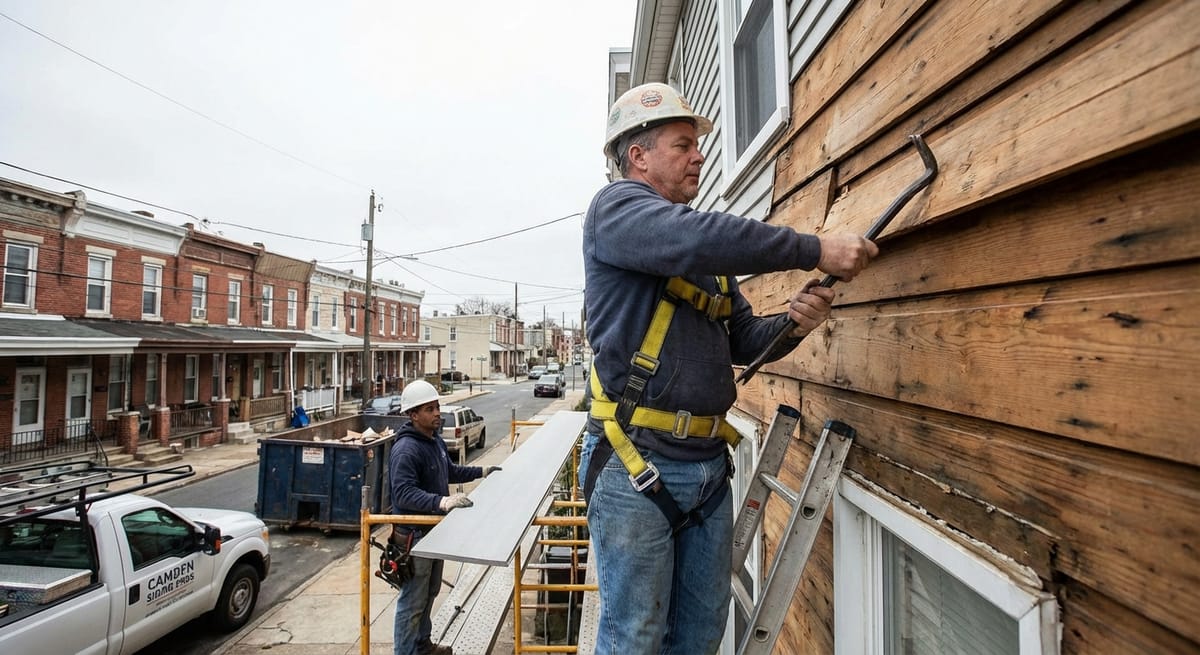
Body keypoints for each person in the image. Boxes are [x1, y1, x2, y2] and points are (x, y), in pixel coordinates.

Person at [580, 82, 878, 654]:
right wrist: (815, 247)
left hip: (706, 470)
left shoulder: (709, 261)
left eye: (699, 145)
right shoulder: (616, 211)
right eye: (683, 144)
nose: (699, 155)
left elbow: (744, 341)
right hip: (634, 461)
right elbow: (691, 239)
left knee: (699, 633)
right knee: (634, 635)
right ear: (637, 156)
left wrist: (794, 323)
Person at [387, 380, 500, 655]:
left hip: (433, 533)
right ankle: (405, 651)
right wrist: (442, 501)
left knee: (430, 592)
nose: (437, 413)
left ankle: (422, 645)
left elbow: (449, 471)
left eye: (437, 407)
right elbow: (403, 494)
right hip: (414, 537)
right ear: (413, 415)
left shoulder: (432, 439)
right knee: (412, 601)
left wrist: (483, 472)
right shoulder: (406, 450)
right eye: (430, 409)